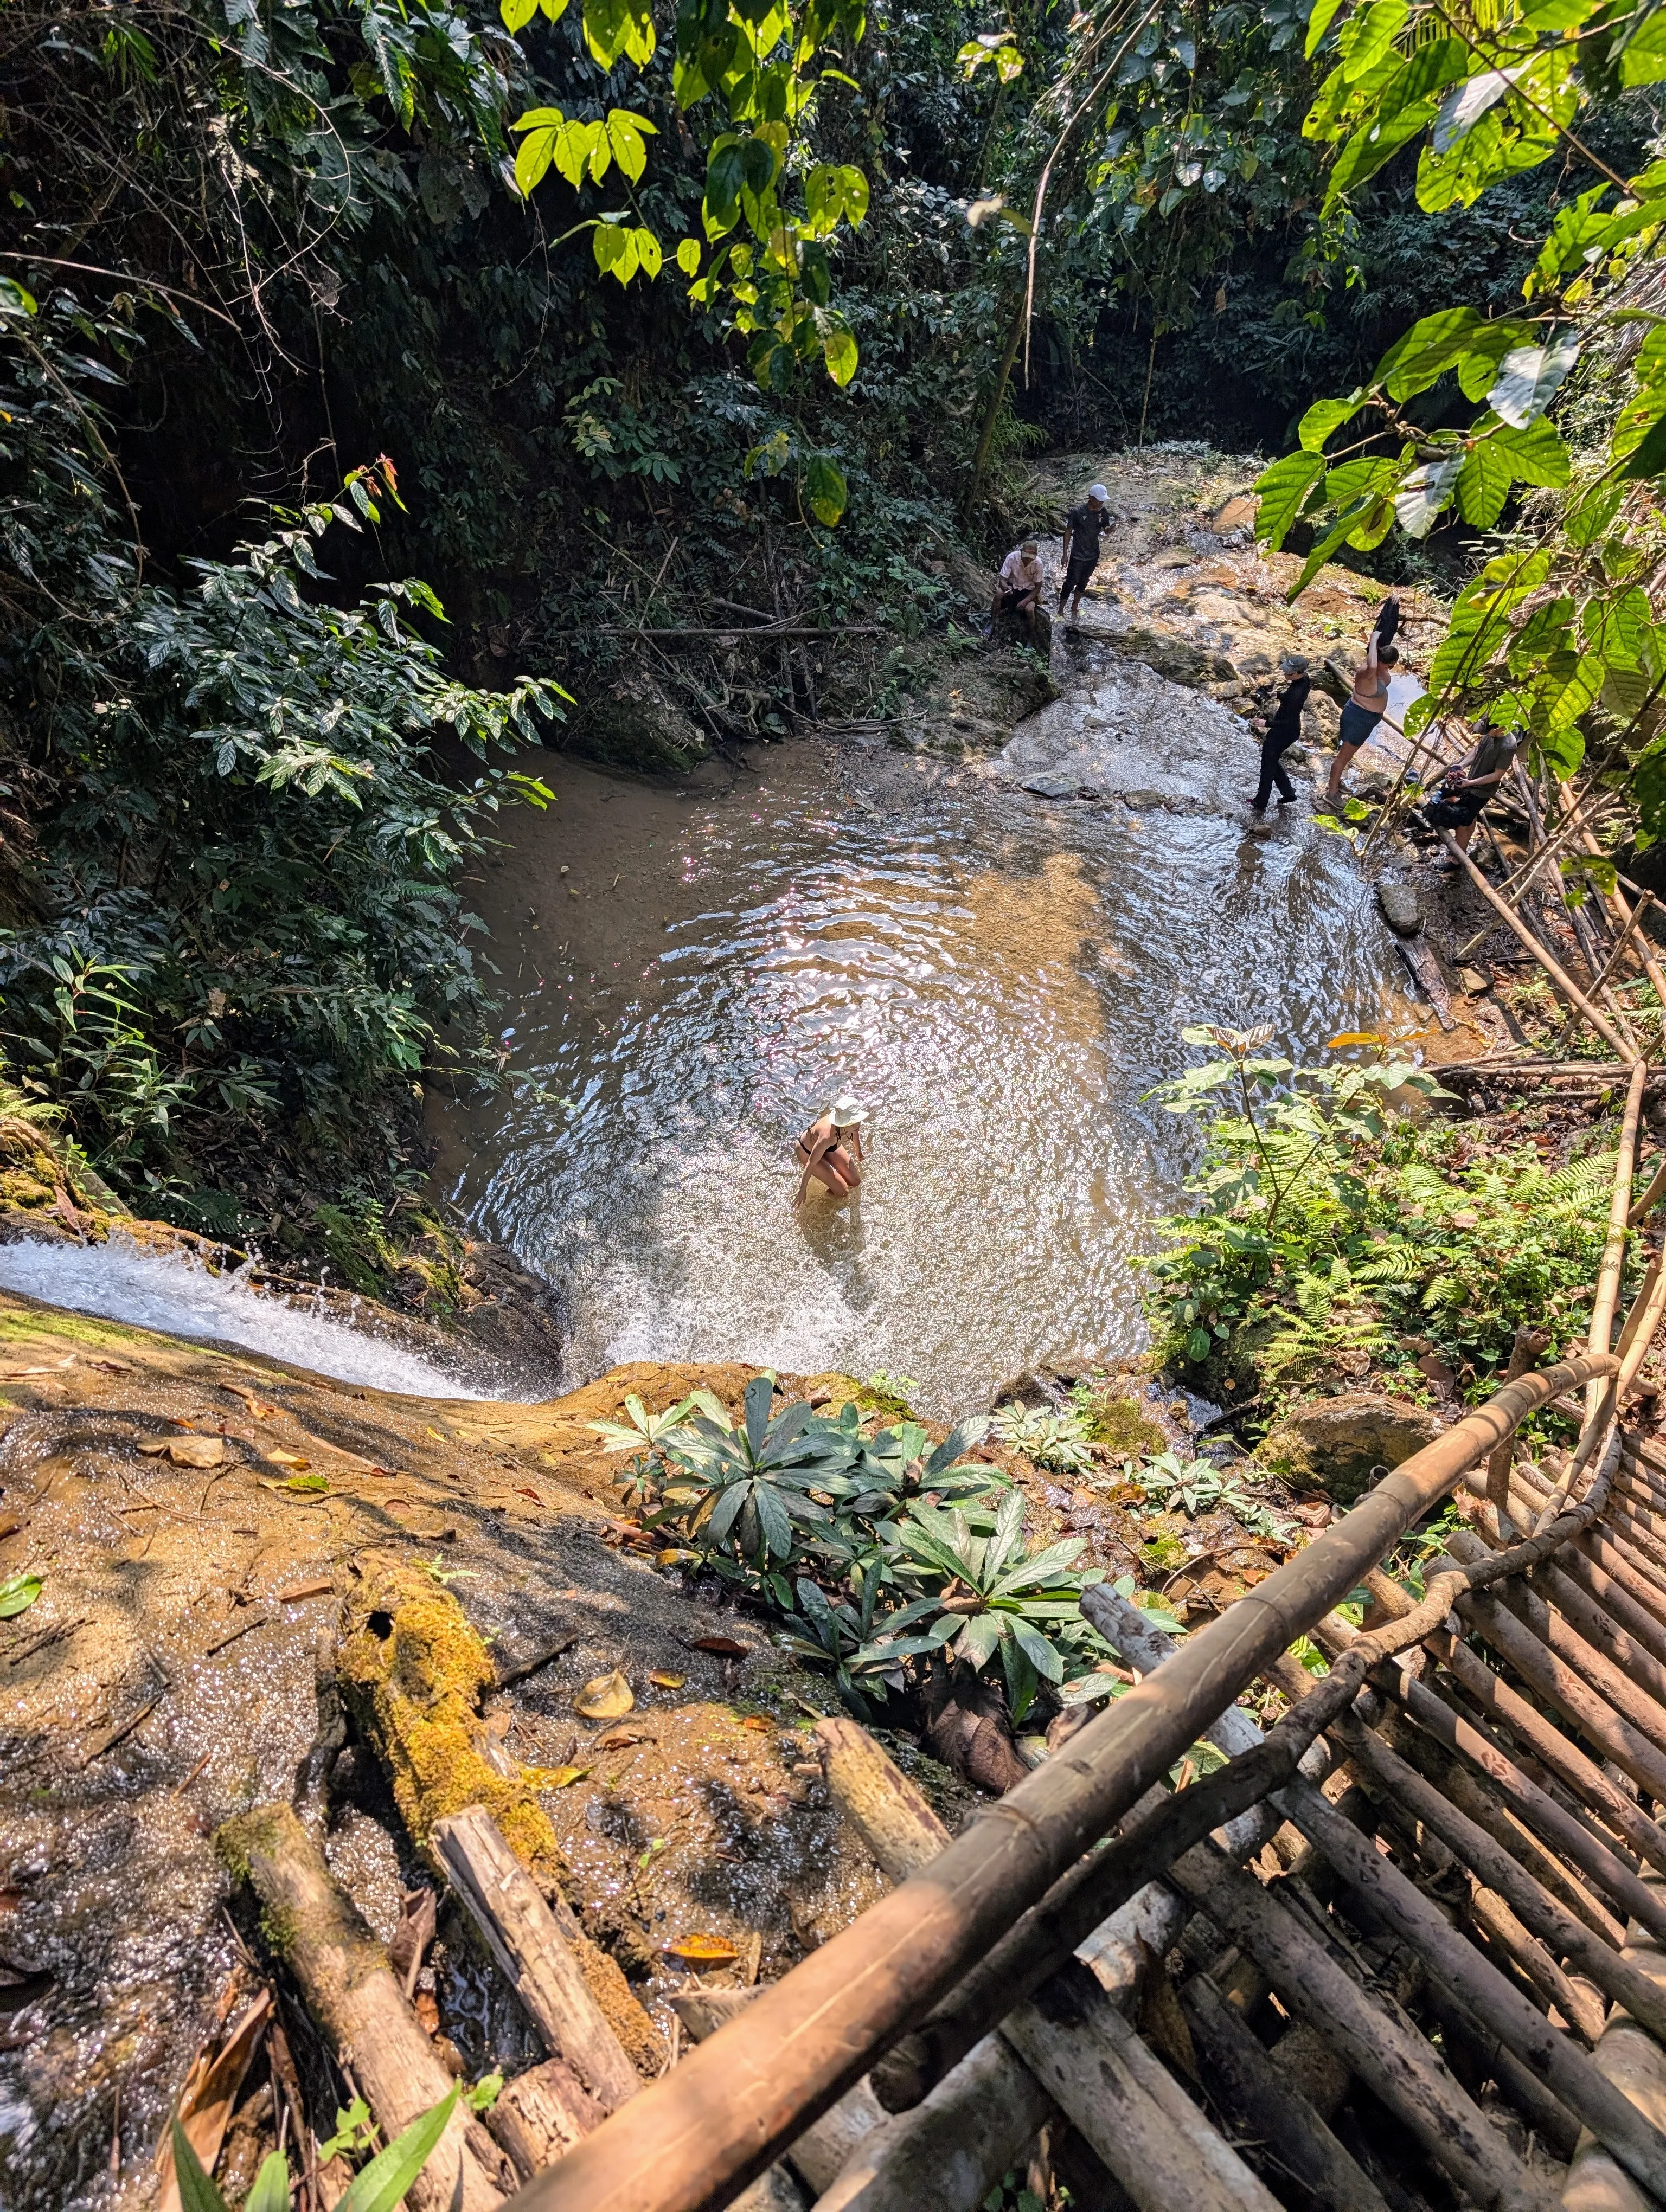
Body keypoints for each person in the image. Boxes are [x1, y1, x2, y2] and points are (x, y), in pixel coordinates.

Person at [1324, 597, 1401, 809]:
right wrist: (1373, 640)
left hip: (1366, 719)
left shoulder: (1378, 665)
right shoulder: (1368, 671)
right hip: (1358, 717)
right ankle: (1331, 793)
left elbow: (1384, 638)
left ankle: (1336, 783)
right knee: (1343, 756)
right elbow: (1374, 661)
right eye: (1391, 665)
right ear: (1387, 663)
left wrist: (1391, 610)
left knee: (1348, 753)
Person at [1414, 721, 1523, 859]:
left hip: (1481, 792)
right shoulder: (1489, 735)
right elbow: (1478, 750)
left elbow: (1498, 775)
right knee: (1470, 819)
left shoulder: (1508, 746)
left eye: (1489, 732)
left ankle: (1457, 859)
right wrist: (1462, 765)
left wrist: (1470, 783)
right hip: (1470, 782)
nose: (1487, 735)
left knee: (1462, 822)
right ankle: (1460, 850)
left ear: (1499, 728)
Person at [1249, 654, 1311, 815]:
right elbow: (1290, 700)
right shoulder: (1304, 680)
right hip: (1289, 730)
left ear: (1298, 673)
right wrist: (1279, 695)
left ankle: (1261, 802)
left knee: (1267, 768)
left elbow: (1287, 721)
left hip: (1284, 732)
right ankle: (1288, 793)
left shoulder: (1295, 695)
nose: (1285, 675)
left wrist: (1266, 723)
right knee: (1272, 760)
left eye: (1289, 673)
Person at [794, 1095, 867, 1208]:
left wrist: (858, 1151)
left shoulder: (854, 1125)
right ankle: (822, 1206)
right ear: (844, 1123)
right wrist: (802, 1190)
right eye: (853, 1121)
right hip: (807, 1151)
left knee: (856, 1181)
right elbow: (810, 1164)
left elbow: (855, 1133)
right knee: (843, 1192)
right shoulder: (827, 1138)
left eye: (857, 1120)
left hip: (829, 1147)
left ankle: (834, 1186)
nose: (858, 1124)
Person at [1058, 484, 1113, 623]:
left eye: (1103, 500)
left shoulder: (1103, 512)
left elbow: (1106, 528)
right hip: (1078, 554)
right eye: (1100, 500)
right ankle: (1061, 610)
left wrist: (1110, 530)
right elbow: (1068, 531)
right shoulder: (1078, 512)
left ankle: (1075, 607)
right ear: (1091, 498)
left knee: (1084, 582)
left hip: (1093, 554)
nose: (1102, 503)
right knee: (1070, 582)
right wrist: (1065, 554)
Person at [992, 541, 1044, 641]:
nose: (1027, 559)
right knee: (999, 593)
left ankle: (1031, 637)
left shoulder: (1038, 564)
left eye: (1031, 557)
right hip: (1012, 586)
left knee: (1030, 609)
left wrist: (1026, 600)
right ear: (1021, 552)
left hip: (1028, 589)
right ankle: (993, 622)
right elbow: (1002, 580)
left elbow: (1038, 587)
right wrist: (1005, 588)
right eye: (1026, 556)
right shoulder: (1012, 558)